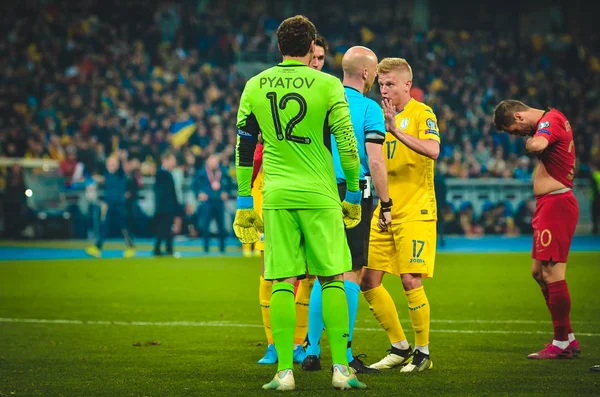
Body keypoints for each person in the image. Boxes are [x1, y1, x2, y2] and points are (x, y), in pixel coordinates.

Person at [233, 15, 366, 390]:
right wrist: (353, 192)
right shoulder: (327, 84)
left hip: (276, 195)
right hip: (321, 194)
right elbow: (346, 142)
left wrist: (246, 198)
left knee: (280, 280)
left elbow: (244, 146)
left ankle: (284, 372)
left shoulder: (254, 85)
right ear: (311, 48)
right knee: (333, 279)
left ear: (279, 47)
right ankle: (341, 369)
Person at [302, 46, 390, 374]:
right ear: (367, 74)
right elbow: (376, 160)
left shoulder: (322, 100)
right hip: (353, 191)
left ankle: (311, 351)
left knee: (324, 272)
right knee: (351, 271)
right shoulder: (369, 108)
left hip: (318, 191)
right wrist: (387, 202)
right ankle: (346, 352)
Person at [252, 34, 329, 366]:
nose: (316, 62)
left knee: (312, 274)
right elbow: (254, 144)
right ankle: (274, 343)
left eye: (323, 58)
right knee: (273, 271)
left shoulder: (328, 92)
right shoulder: (271, 91)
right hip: (274, 189)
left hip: (314, 191)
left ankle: (300, 342)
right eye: (315, 55)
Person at [361, 58, 440, 373]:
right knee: (368, 280)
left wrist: (395, 128)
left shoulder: (423, 113)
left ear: (408, 84)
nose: (384, 90)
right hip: (385, 209)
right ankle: (399, 346)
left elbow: (433, 150)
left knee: (410, 279)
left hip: (416, 210)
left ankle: (423, 353)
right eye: (381, 85)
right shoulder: (378, 116)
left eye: (390, 84)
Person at [493, 100, 579, 359]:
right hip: (549, 205)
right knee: (539, 273)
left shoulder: (548, 122)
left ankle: (561, 342)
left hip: (557, 204)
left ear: (519, 116)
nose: (518, 136)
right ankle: (568, 337)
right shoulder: (551, 119)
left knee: (552, 273)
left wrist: (531, 143)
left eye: (514, 131)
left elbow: (539, 143)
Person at [85, 155, 135, 258]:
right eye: (109, 163)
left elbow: (126, 171)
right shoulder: (106, 176)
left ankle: (130, 247)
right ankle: (97, 248)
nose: (111, 165)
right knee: (104, 226)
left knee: (124, 227)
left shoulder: (121, 174)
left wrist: (122, 158)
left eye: (113, 163)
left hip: (120, 205)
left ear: (117, 165)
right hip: (109, 205)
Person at [193, 154, 229, 254]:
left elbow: (229, 184)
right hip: (207, 203)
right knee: (205, 226)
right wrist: (199, 194)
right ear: (208, 162)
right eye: (212, 161)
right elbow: (194, 185)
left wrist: (226, 192)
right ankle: (206, 248)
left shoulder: (223, 171)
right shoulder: (202, 173)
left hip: (219, 203)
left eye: (215, 161)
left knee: (221, 226)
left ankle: (222, 248)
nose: (214, 163)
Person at [153, 150, 182, 256]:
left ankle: (168, 250)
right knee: (163, 230)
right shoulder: (160, 174)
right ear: (165, 160)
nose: (174, 163)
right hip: (164, 208)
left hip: (168, 208)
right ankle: (158, 250)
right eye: (172, 160)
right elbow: (162, 195)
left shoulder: (167, 174)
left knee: (167, 230)